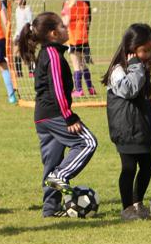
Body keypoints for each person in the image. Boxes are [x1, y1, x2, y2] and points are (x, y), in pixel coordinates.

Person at [16, 12, 99, 217]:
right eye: (62, 26)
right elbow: (57, 89)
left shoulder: (49, 52)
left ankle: (50, 209)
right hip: (55, 114)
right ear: (53, 33)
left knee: (51, 162)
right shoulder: (52, 55)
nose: (66, 28)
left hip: (43, 116)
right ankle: (60, 176)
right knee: (88, 142)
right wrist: (69, 116)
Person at [103, 23, 151, 221]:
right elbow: (129, 90)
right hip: (126, 128)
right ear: (132, 49)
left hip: (143, 127)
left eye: (150, 50)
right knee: (128, 167)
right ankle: (126, 207)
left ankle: (138, 203)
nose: (148, 54)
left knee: (149, 164)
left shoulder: (142, 67)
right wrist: (136, 65)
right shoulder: (118, 70)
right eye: (144, 50)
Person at [62, 0, 95, 97]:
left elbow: (65, 22)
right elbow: (87, 21)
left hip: (73, 38)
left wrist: (61, 21)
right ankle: (91, 88)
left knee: (76, 65)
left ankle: (79, 90)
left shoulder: (68, 5)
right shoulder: (85, 5)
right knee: (83, 64)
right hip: (83, 37)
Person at [11, 0, 33, 78]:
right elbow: (18, 24)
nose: (15, 1)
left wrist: (28, 33)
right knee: (15, 52)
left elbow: (30, 22)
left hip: (26, 34)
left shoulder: (27, 9)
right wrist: (16, 35)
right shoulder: (17, 10)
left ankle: (31, 71)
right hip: (18, 34)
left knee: (28, 53)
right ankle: (19, 72)